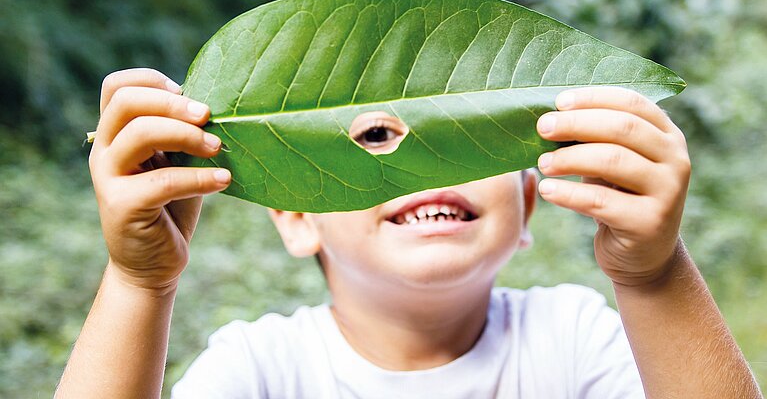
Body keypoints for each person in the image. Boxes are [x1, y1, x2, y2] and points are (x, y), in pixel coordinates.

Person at [55, 68, 762, 398]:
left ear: (529, 202)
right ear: (295, 215)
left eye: (464, 142)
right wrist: (139, 281)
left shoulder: (573, 339)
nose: (420, 168)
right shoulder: (260, 369)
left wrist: (653, 274)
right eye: (370, 137)